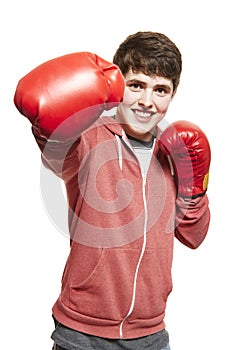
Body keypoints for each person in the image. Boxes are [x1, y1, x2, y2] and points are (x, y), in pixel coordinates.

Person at [14, 31, 211, 350]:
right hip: (83, 332)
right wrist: (46, 122)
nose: (147, 101)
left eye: (160, 89)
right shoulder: (89, 140)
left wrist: (196, 184)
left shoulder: (173, 151)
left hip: (151, 333)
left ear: (172, 95)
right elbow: (57, 149)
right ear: (119, 85)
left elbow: (194, 235)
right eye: (137, 85)